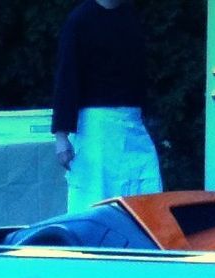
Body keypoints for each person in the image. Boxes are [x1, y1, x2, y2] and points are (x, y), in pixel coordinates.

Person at [52, 0, 162, 210]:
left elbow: (140, 75)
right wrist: (61, 135)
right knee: (94, 200)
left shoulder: (131, 16)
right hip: (96, 128)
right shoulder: (79, 20)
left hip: (133, 124)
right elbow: (66, 77)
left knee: (143, 193)